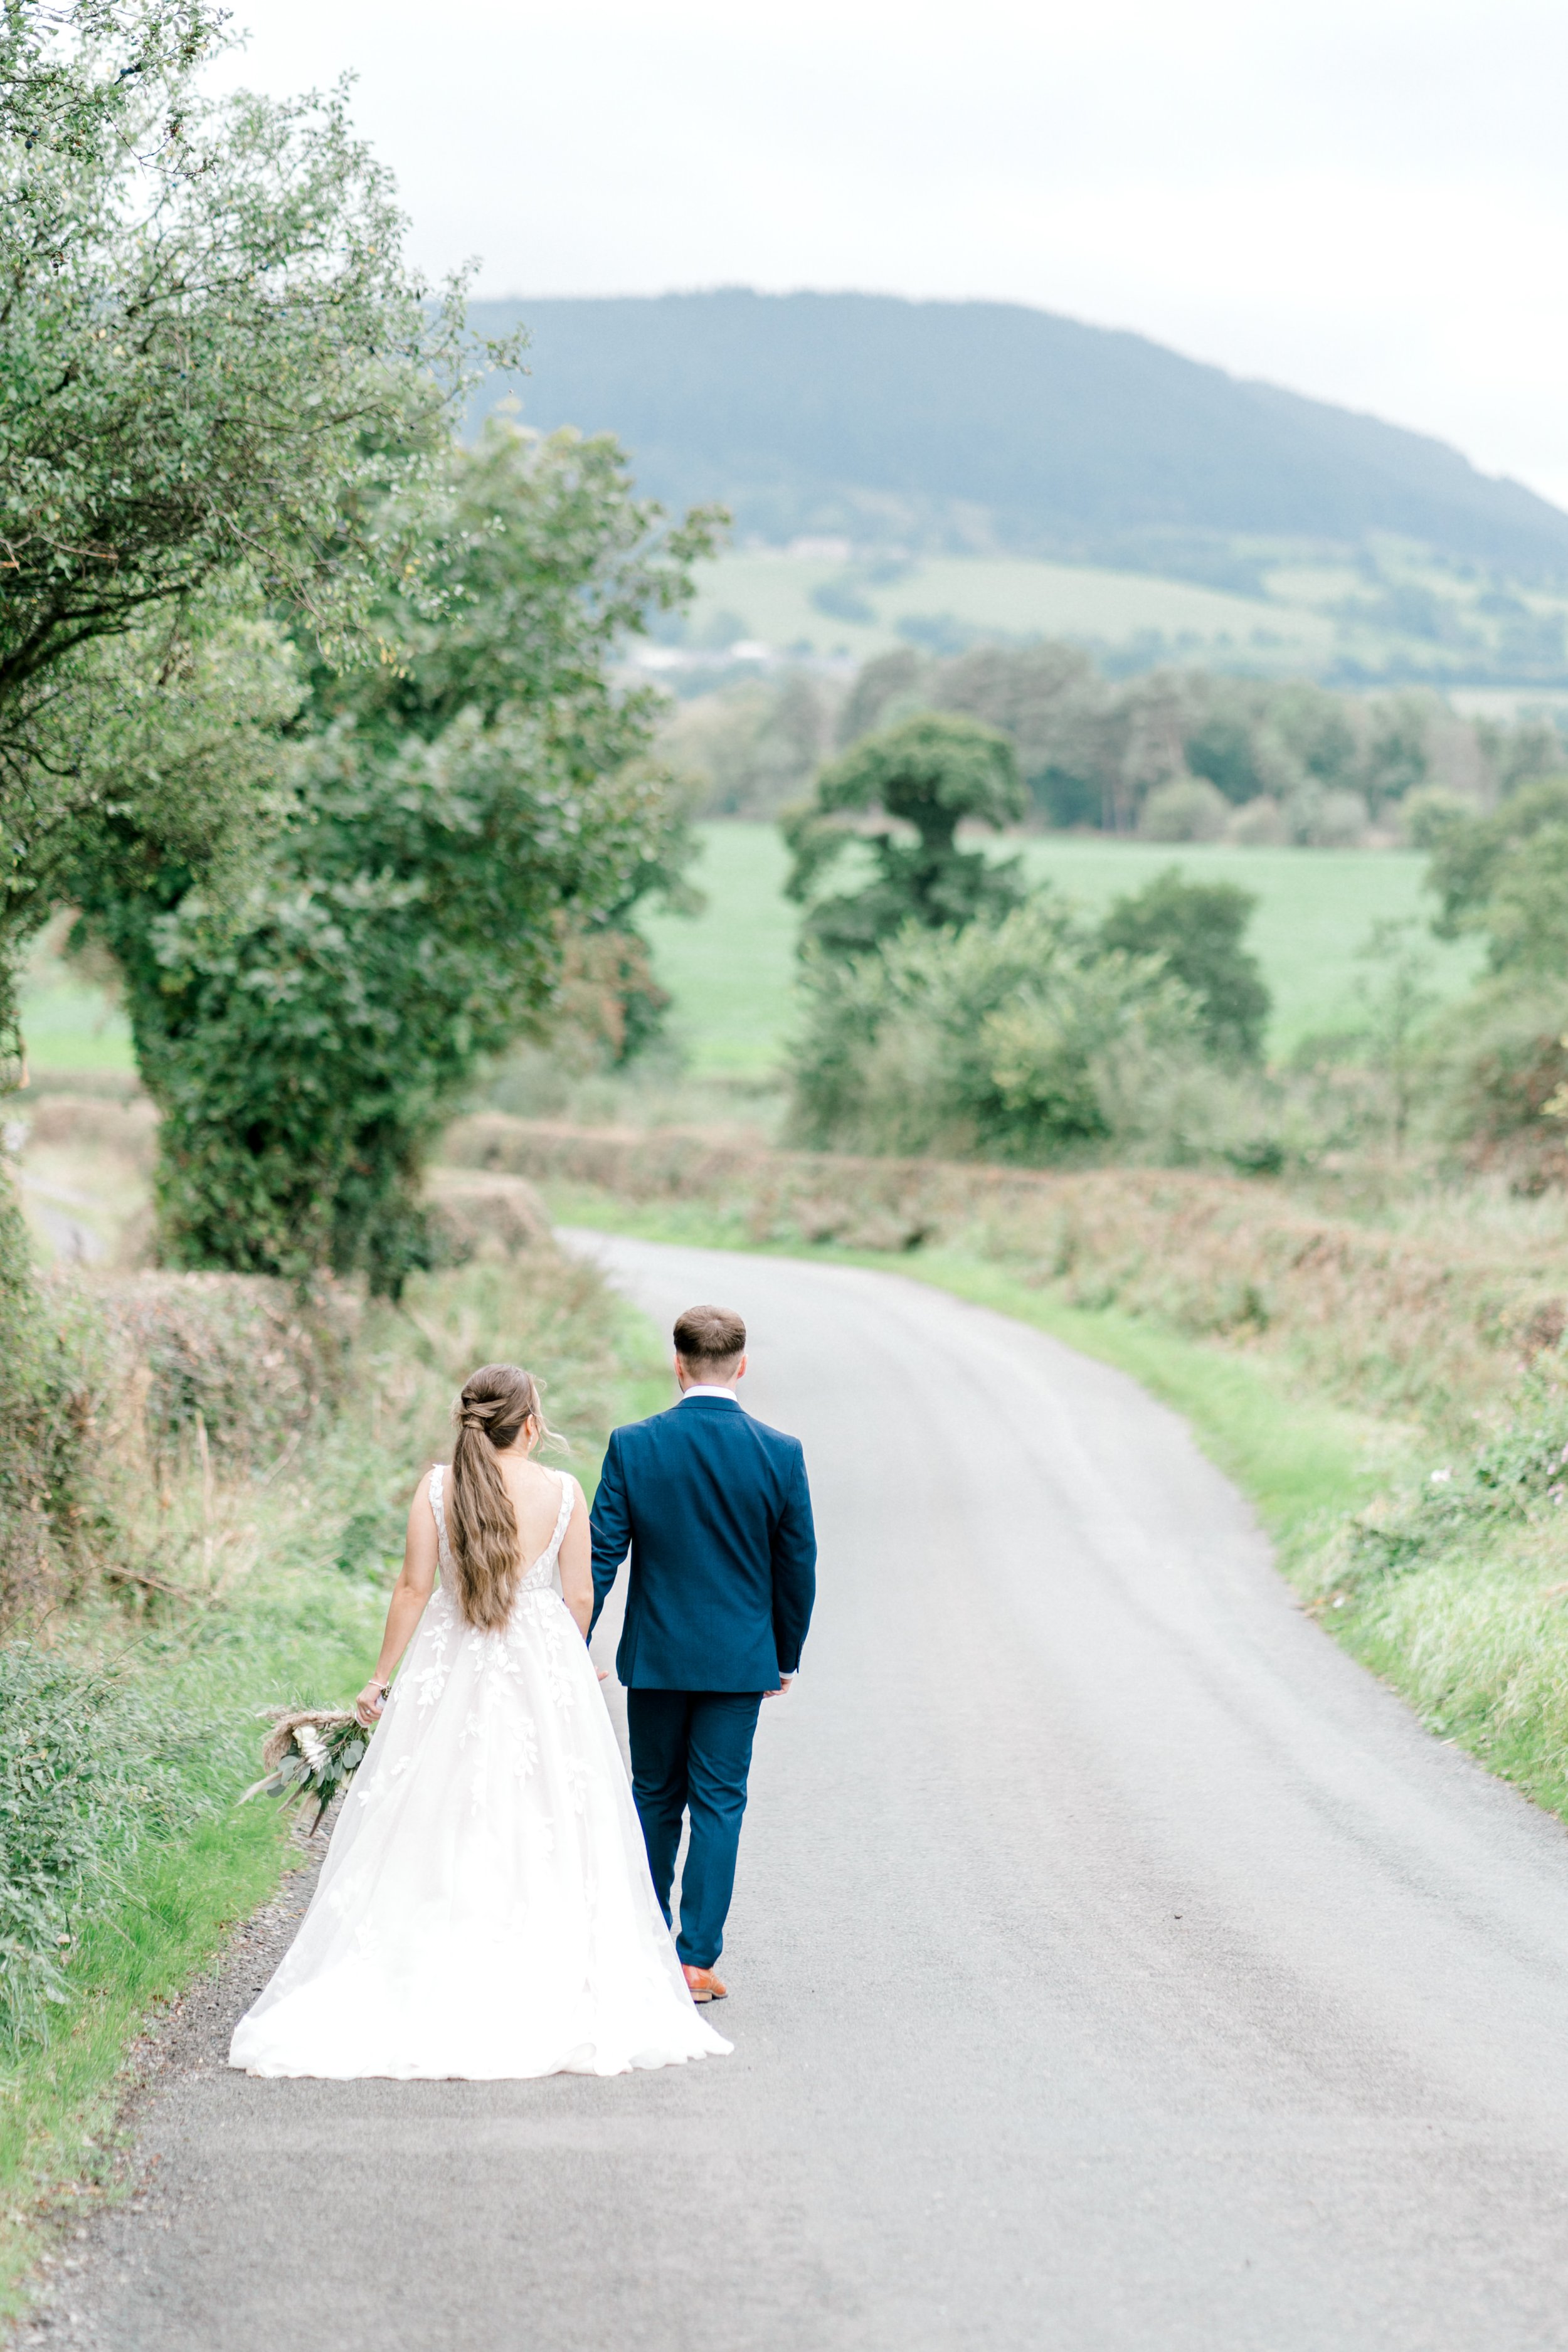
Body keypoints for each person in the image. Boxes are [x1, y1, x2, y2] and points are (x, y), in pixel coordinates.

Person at [228, 1364, 730, 2080]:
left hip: (449, 1656)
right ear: (530, 1424)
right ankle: (539, 1968)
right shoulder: (561, 1490)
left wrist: (379, 1680)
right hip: (539, 1658)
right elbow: (579, 1594)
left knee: (438, 1806)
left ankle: (429, 1959)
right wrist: (567, 1657)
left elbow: (413, 1587)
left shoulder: (438, 1486)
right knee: (547, 1810)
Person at [590, 1303, 817, 2003]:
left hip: (656, 1658)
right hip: (737, 1661)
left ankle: (649, 1945)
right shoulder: (779, 1453)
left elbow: (602, 1556)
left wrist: (570, 1638)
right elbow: (797, 1564)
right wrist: (785, 1653)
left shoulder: (634, 1445)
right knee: (719, 1803)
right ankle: (694, 1962)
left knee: (654, 1798)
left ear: (678, 1364)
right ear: (741, 1365)